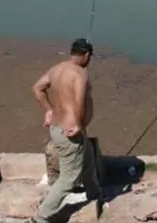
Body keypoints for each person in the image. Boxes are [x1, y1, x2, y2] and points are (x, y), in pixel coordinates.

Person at [30, 38, 101, 222]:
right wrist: (78, 124)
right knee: (69, 179)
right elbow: (79, 101)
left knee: (87, 161)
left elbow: (37, 88)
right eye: (90, 56)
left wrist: (48, 110)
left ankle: (95, 194)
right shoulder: (80, 73)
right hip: (71, 132)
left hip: (57, 127)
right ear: (86, 55)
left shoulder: (56, 69)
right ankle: (41, 217)